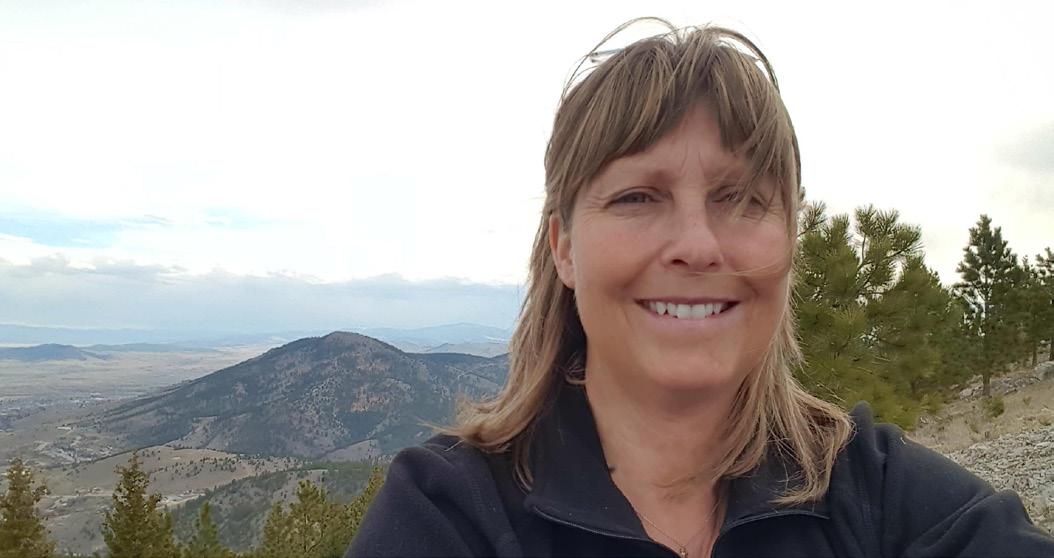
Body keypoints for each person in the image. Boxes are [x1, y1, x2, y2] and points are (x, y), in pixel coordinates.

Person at [347, 19, 1054, 558]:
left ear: (790, 242)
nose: (697, 244)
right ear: (563, 248)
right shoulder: (449, 515)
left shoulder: (881, 495)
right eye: (637, 197)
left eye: (742, 199)